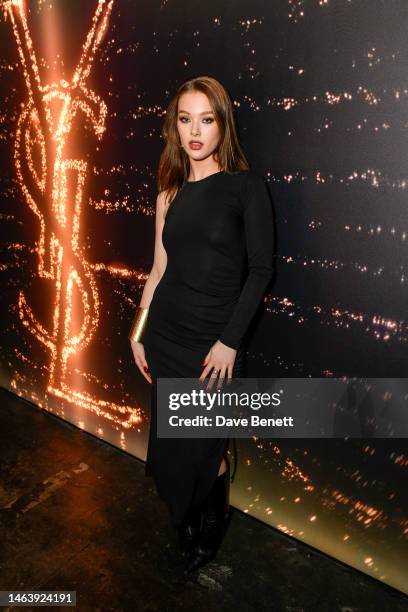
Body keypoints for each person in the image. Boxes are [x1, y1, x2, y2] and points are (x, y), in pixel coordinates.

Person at [128, 75, 274, 575]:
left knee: (206, 449)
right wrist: (138, 331)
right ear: (175, 126)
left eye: (206, 119)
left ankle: (212, 520)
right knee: (172, 448)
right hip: (166, 336)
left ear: (222, 125)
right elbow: (158, 268)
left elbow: (260, 271)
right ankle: (188, 518)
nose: (195, 131)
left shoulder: (245, 187)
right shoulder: (169, 192)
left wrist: (230, 343)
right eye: (185, 119)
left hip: (213, 346)